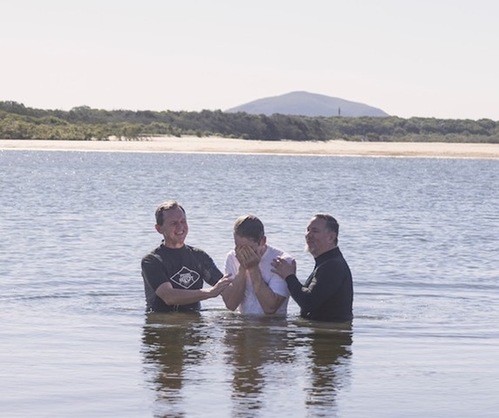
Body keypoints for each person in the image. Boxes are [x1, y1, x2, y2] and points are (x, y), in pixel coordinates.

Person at [141, 200, 231, 312]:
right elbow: (169, 297)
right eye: (174, 223)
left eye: (183, 221)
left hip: (194, 321)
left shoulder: (199, 256)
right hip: (161, 321)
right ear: (159, 229)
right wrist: (210, 293)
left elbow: (225, 289)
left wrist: (244, 268)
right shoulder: (152, 261)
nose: (180, 227)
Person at [271, 214, 353, 322]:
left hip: (329, 331)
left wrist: (289, 276)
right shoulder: (326, 262)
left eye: (315, 231)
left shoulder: (333, 266)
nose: (308, 235)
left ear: (331, 237)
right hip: (321, 329)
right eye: (308, 230)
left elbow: (307, 302)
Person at [223, 215, 293, 315]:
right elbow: (231, 305)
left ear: (262, 241)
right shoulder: (232, 257)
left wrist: (253, 268)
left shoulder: (282, 261)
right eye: (238, 247)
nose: (242, 253)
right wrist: (242, 268)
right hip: (243, 322)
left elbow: (270, 308)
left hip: (273, 323)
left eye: (249, 248)